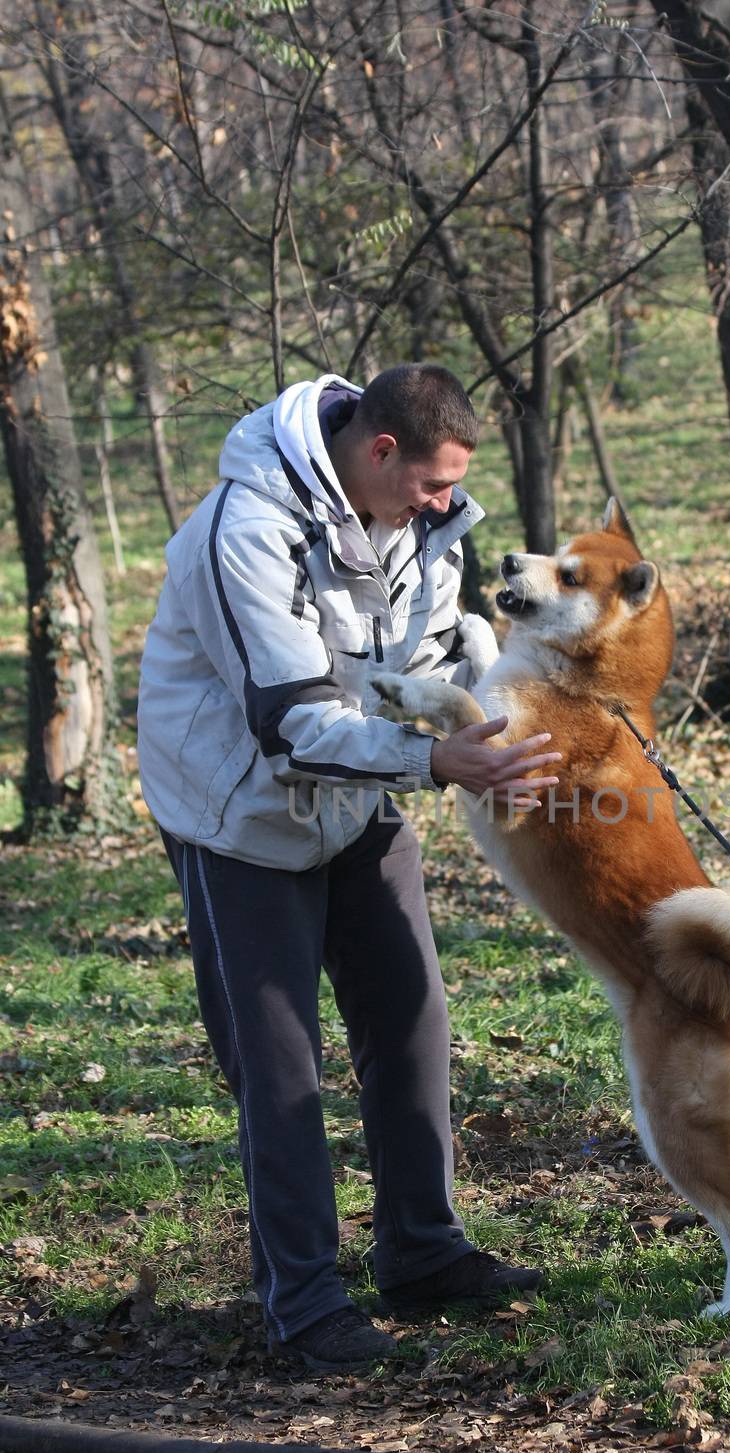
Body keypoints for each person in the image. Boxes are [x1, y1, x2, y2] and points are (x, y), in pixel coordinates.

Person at [136, 365, 561, 1372]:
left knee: (411, 1019)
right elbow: (290, 720)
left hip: (354, 790)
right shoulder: (249, 525)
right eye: (431, 484)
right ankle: (305, 1305)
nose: (446, 504)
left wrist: (481, 706)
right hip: (236, 809)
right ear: (379, 453)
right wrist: (433, 759)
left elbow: (410, 668)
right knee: (280, 1069)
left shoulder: (413, 518)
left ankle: (420, 1250)